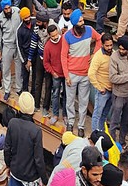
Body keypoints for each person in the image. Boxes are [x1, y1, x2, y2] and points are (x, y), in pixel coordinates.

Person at [62, 9, 102, 137]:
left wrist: (94, 55)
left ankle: (81, 126)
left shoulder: (90, 30)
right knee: (70, 100)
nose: (83, 23)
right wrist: (66, 75)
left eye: (82, 20)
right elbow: (63, 56)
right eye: (80, 21)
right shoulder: (67, 36)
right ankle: (70, 122)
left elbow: (99, 39)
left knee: (84, 101)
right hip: (72, 74)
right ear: (74, 23)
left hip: (85, 74)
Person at [4, 92, 48, 186]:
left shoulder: (12, 123)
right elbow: (39, 159)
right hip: (30, 178)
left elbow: (7, 149)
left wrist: (9, 165)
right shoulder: (36, 131)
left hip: (15, 172)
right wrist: (45, 180)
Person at [0, 0, 22, 101]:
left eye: (9, 8)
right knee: (6, 68)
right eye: (5, 9)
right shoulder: (0, 18)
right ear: (3, 9)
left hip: (18, 44)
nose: (8, 10)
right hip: (7, 45)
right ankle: (7, 90)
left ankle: (19, 88)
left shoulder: (17, 11)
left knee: (19, 67)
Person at [88, 33, 114, 131]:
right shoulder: (98, 56)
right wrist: (99, 88)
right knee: (97, 115)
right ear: (102, 45)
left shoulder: (114, 53)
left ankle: (102, 133)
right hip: (103, 90)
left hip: (112, 90)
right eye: (107, 45)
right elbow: (91, 74)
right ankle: (95, 134)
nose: (109, 47)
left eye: (111, 45)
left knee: (105, 115)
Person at [28, 10, 51, 114]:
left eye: (39, 22)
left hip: (50, 60)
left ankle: (45, 108)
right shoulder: (37, 28)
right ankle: (36, 105)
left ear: (44, 22)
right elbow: (33, 43)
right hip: (39, 58)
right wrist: (29, 59)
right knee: (38, 82)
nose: (36, 24)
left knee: (48, 84)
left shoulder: (53, 29)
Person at [44, 24, 67, 126]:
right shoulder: (48, 46)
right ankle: (55, 115)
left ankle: (65, 115)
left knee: (67, 95)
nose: (55, 37)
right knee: (55, 94)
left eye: (56, 34)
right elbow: (46, 63)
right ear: (49, 35)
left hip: (66, 73)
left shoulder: (64, 40)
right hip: (56, 74)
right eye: (53, 36)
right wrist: (53, 72)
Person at [17, 7, 34, 93]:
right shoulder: (20, 30)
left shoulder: (34, 23)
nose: (28, 19)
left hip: (35, 54)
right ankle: (25, 92)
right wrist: (25, 61)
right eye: (25, 18)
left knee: (35, 76)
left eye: (28, 17)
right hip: (25, 55)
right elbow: (19, 46)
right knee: (25, 76)